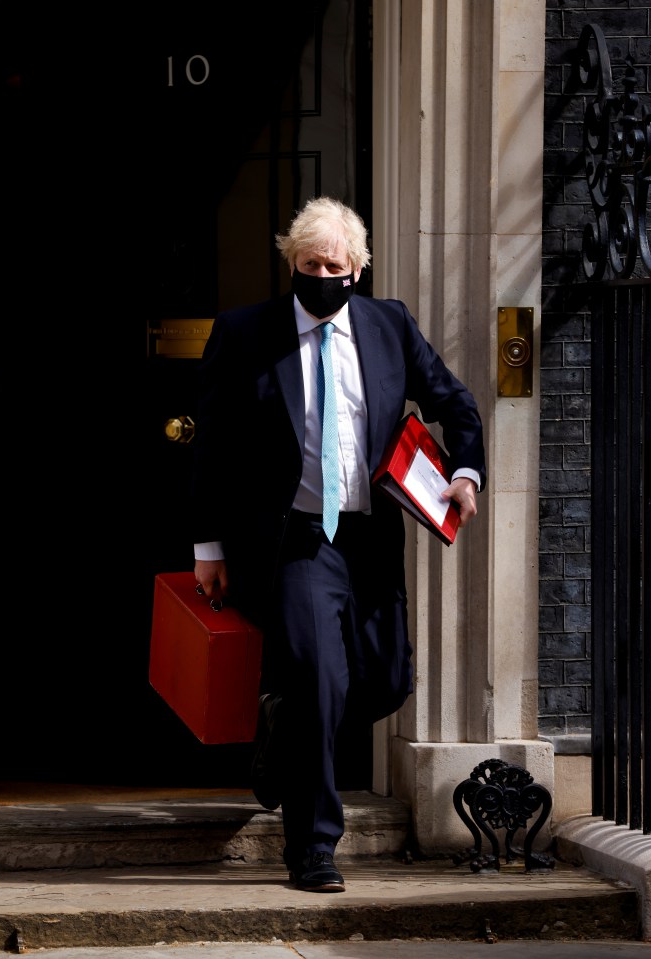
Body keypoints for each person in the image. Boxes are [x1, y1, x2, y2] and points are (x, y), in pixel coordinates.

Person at [192, 196, 486, 893]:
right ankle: (314, 846)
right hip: (294, 540)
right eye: (307, 262)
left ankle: (285, 724)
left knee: (384, 679)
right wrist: (209, 545)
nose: (320, 273)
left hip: (368, 534)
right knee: (320, 678)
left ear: (357, 270)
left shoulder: (389, 326)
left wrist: (464, 470)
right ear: (290, 262)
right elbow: (213, 445)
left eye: (334, 264)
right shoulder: (245, 333)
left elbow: (455, 403)